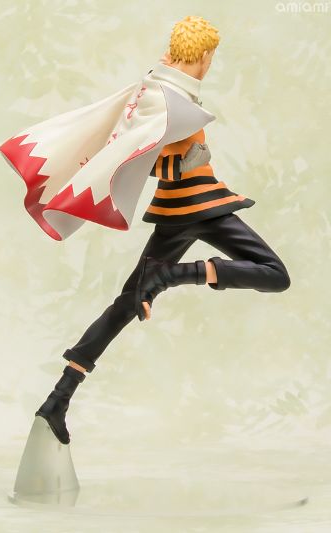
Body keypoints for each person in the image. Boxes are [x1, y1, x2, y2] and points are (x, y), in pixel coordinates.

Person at [34, 15, 291, 445]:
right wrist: (186, 163)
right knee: (275, 274)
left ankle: (57, 399)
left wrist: (190, 163)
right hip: (198, 206)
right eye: (212, 57)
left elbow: (153, 152)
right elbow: (143, 158)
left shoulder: (164, 88)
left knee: (126, 303)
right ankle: (173, 274)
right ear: (205, 56)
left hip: (180, 210)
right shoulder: (167, 96)